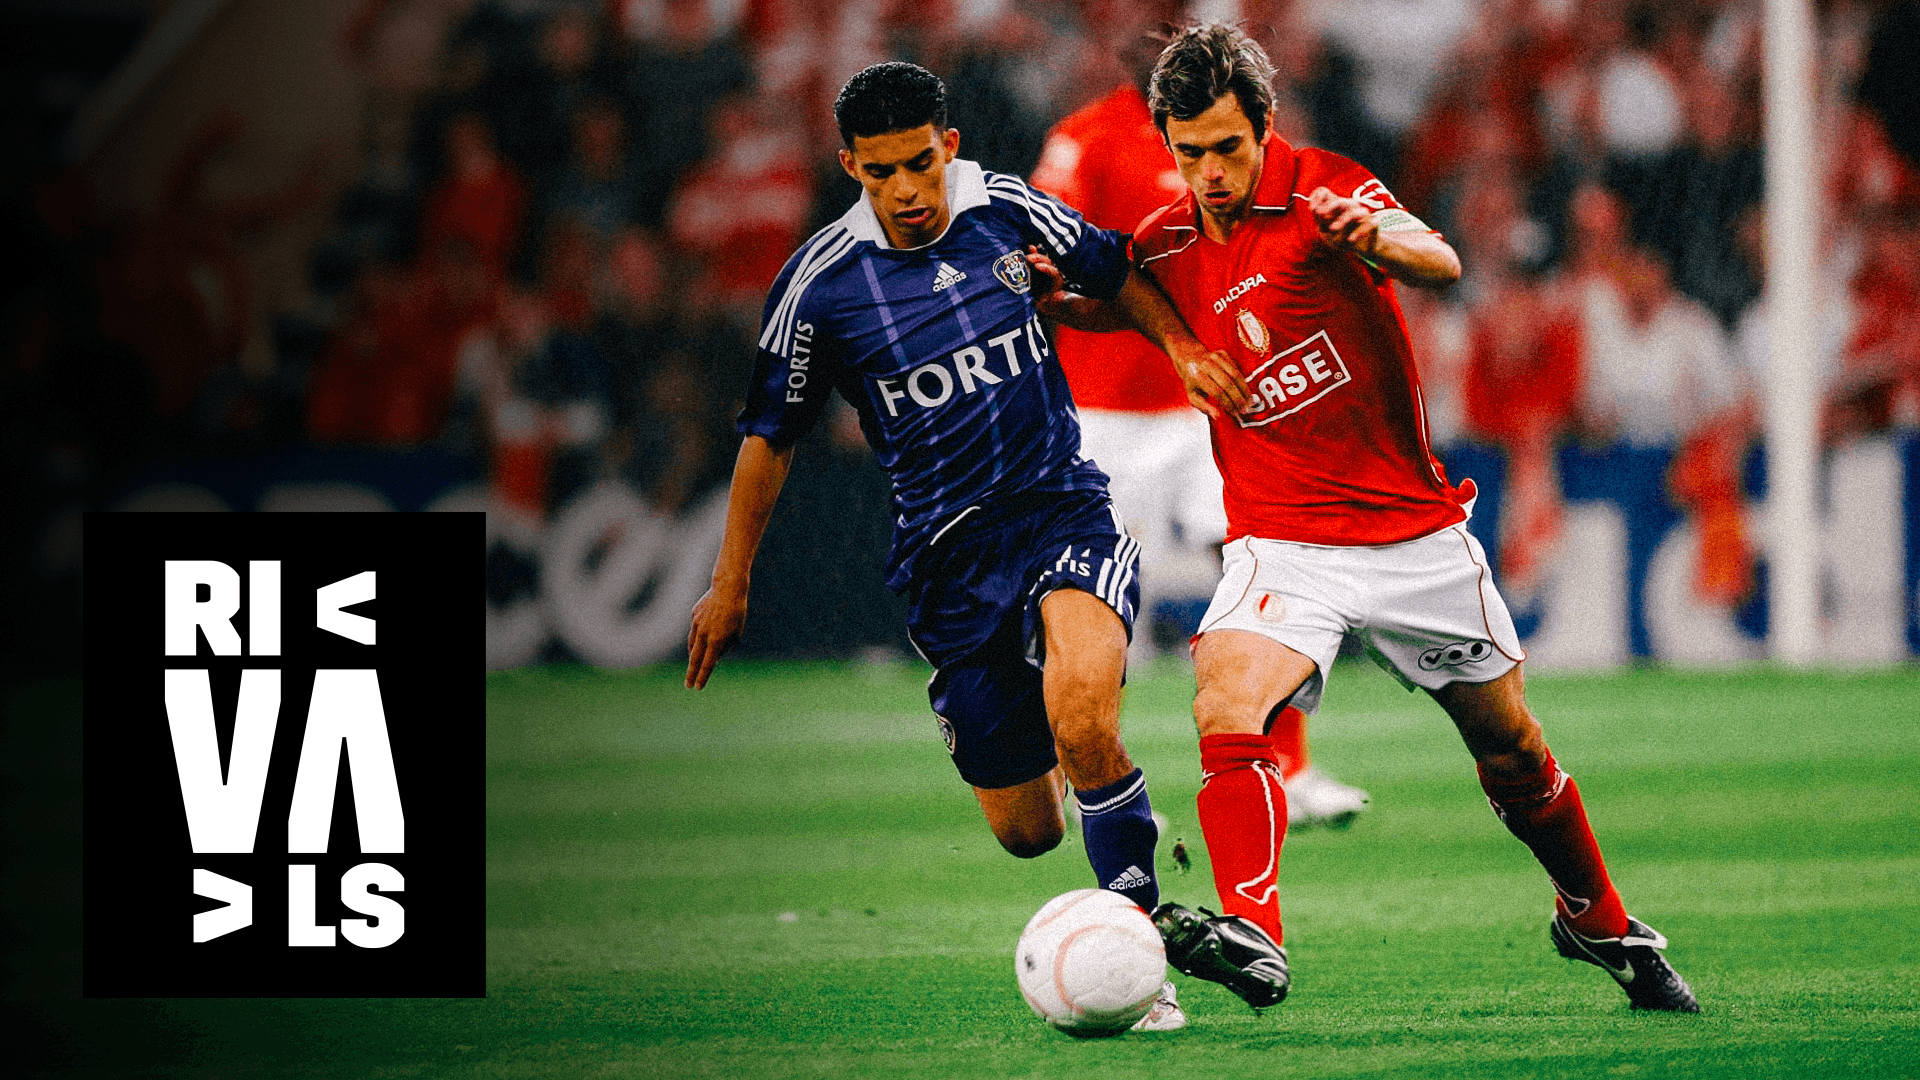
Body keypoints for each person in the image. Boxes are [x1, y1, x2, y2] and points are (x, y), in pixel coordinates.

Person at [1031, 24, 1699, 1014]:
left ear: (1265, 126)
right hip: (1280, 541)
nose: (1210, 173)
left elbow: (1439, 259)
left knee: (1512, 749)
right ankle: (1255, 930)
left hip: (1410, 536)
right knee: (1226, 703)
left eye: (1228, 147)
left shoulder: (1324, 190)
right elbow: (1124, 295)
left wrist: (1378, 239)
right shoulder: (1170, 238)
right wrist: (1069, 307)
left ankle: (1596, 918)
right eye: (1189, 151)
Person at [683, 61, 1245, 1032]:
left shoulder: (1007, 208)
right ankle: (1092, 788)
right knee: (1027, 833)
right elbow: (769, 437)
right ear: (851, 166)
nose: (907, 190)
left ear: (948, 145)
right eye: (881, 173)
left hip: (1062, 509)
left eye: (920, 164)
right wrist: (729, 583)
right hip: (948, 565)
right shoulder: (821, 285)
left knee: (1084, 717)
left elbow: (1119, 272)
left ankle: (1142, 953)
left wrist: (1183, 349)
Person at [1031, 11, 1370, 829]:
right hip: (1102, 412)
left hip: (1205, 404)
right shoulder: (1085, 139)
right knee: (1087, 606)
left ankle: (1289, 768)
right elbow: (1046, 252)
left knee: (1265, 570)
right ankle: (1083, 781)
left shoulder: (1224, 136)